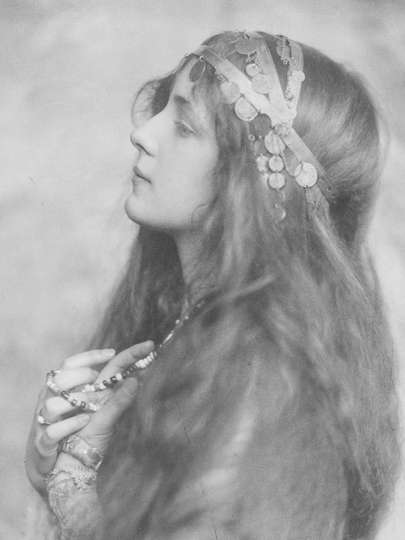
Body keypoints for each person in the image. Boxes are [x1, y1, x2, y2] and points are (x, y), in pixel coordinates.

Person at [25, 30, 400, 539]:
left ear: (248, 181)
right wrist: (59, 463)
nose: (143, 133)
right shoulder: (194, 328)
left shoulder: (265, 376)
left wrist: (70, 481)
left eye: (183, 125)